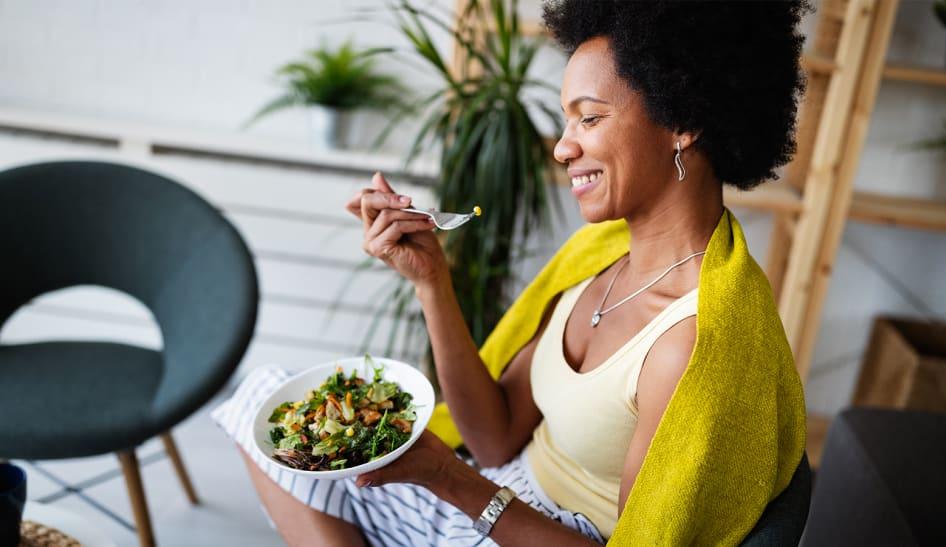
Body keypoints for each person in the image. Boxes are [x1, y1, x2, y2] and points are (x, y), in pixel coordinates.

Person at [210, 1, 812, 545]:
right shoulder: (597, 256)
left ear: (683, 121)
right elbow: (495, 437)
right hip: (495, 489)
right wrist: (431, 281)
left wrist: (450, 479)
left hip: (538, 531)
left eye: (590, 119)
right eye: (566, 120)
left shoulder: (693, 345)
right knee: (261, 396)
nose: (562, 147)